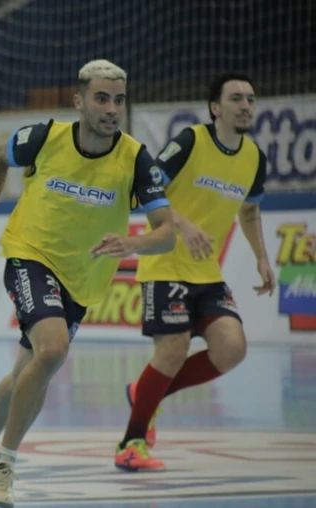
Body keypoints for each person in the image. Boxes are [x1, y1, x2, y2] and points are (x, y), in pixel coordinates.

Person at [0, 59, 176, 506]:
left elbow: (166, 231)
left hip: (82, 281)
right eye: (102, 98)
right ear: (79, 101)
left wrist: (133, 244)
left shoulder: (136, 159)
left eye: (119, 100)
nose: (112, 108)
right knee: (53, 350)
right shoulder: (44, 137)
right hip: (29, 256)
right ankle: (5, 465)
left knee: (28, 373)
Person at [116, 72, 273, 471]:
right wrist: (182, 225)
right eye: (236, 98)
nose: (245, 106)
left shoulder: (255, 159)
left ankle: (145, 392)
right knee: (173, 348)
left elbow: (250, 211)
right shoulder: (190, 140)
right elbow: (146, 188)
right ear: (216, 108)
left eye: (251, 99)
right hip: (166, 262)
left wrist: (261, 257)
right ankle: (131, 444)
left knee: (232, 348)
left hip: (206, 272)